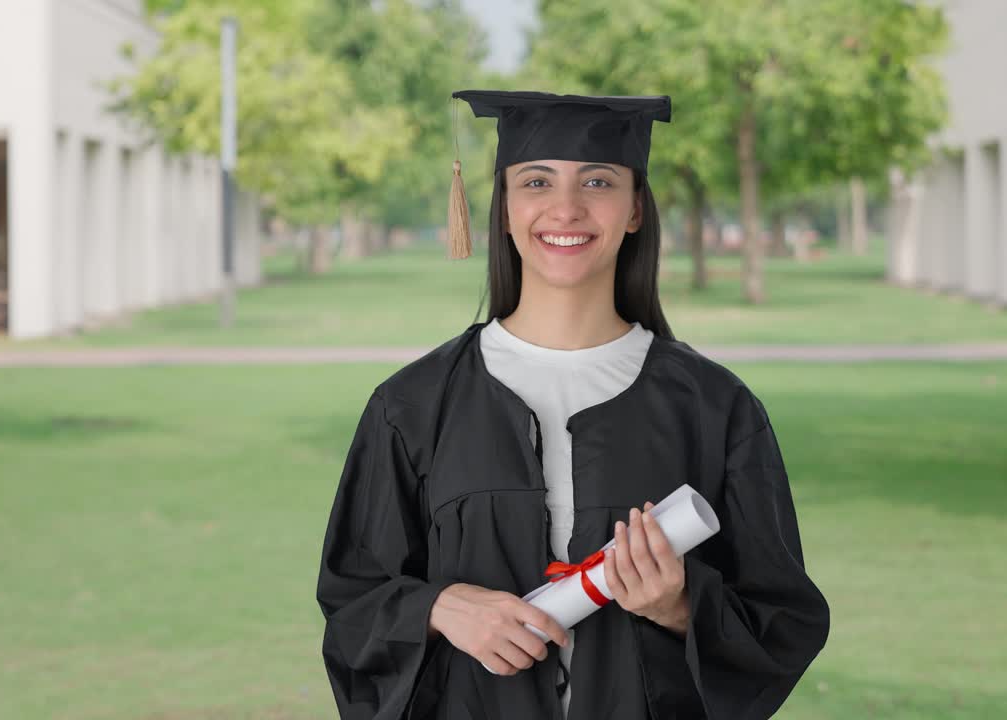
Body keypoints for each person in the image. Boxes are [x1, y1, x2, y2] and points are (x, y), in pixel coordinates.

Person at [315, 89, 830, 720]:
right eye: (536, 181)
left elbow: (783, 622)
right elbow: (353, 606)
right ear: (503, 209)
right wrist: (438, 609)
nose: (566, 207)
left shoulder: (714, 409)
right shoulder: (414, 406)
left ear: (635, 208)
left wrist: (680, 606)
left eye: (597, 181)